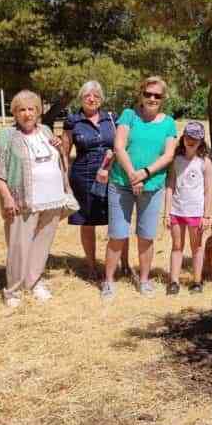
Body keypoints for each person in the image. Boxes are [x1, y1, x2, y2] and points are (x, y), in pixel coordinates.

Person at [0, 90, 76, 308]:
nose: (27, 114)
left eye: (31, 109)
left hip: (52, 198)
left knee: (42, 243)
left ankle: (33, 282)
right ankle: (12, 290)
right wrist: (7, 197)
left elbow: (59, 160)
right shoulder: (7, 136)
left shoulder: (45, 131)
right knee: (19, 246)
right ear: (15, 113)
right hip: (22, 201)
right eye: (22, 110)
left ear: (38, 111)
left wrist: (60, 150)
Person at [101, 77, 177, 300]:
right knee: (117, 234)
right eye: (148, 94)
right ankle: (108, 281)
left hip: (152, 186)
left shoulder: (169, 123)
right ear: (141, 94)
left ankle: (144, 280)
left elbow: (168, 155)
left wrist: (144, 173)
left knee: (146, 236)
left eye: (157, 95)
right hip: (121, 183)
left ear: (163, 98)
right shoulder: (129, 115)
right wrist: (133, 176)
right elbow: (119, 146)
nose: (152, 98)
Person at [61, 80, 127, 281]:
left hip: (112, 176)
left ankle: (124, 265)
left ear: (101, 99)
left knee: (119, 222)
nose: (92, 99)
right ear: (81, 98)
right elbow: (64, 154)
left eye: (96, 96)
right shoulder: (72, 121)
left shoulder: (112, 118)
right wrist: (65, 182)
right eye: (87, 95)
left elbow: (121, 146)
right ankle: (91, 267)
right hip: (83, 177)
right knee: (88, 222)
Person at [164, 121, 212, 295]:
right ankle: (174, 281)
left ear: (201, 141)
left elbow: (209, 190)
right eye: (188, 137)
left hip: (196, 212)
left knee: (197, 247)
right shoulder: (175, 160)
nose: (191, 141)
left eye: (195, 138)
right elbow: (170, 186)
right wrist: (166, 213)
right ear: (183, 137)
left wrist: (206, 215)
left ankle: (197, 281)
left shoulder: (205, 162)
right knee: (177, 246)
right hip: (177, 210)